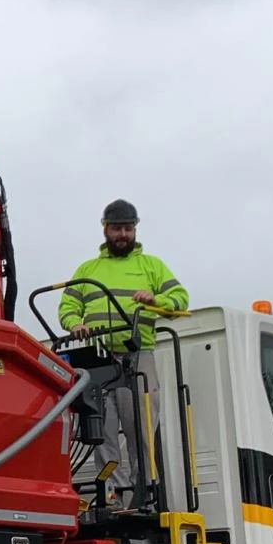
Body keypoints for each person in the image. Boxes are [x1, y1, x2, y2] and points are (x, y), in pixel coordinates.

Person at [56, 200, 189, 505]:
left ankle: (142, 494)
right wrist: (75, 322)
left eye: (128, 228)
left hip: (137, 356)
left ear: (135, 230)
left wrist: (155, 298)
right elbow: (68, 306)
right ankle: (111, 496)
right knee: (101, 433)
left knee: (140, 429)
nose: (123, 234)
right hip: (99, 359)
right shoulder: (87, 270)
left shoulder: (151, 266)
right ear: (105, 229)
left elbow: (180, 297)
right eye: (117, 228)